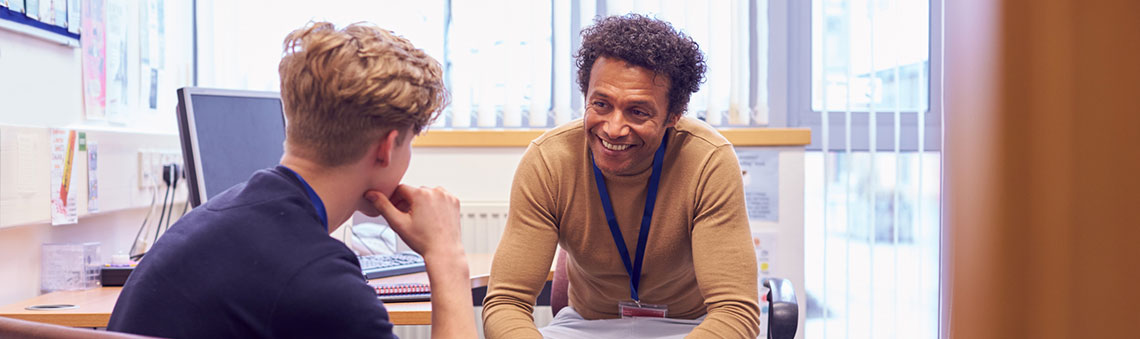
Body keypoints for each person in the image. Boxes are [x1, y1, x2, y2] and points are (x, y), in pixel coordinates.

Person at [108, 22, 476, 339]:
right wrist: (447, 257)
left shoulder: (214, 219)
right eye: (410, 143)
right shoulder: (318, 280)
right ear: (388, 146)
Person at [481, 14, 760, 338]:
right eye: (601, 104)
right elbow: (506, 303)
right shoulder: (549, 161)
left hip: (688, 327)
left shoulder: (708, 161)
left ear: (673, 114)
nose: (613, 128)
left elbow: (735, 312)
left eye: (638, 111)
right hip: (586, 327)